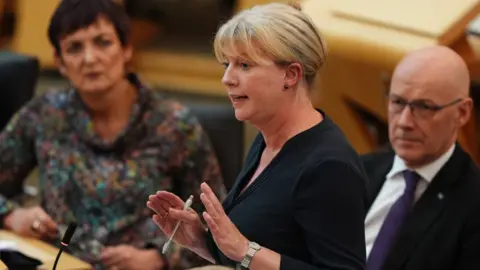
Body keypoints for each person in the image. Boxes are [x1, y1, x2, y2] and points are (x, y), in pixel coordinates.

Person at [0, 0, 226, 269]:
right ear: (60, 62)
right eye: (74, 47)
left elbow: (217, 222)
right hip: (61, 262)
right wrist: (11, 215)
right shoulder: (45, 114)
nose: (90, 58)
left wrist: (161, 258)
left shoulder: (174, 124)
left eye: (103, 43)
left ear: (126, 48)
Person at [148, 3, 367, 270]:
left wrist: (244, 249)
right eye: (226, 64)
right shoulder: (267, 139)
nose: (227, 78)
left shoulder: (329, 166)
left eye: (244, 65)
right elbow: (255, 252)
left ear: (291, 74)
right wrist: (201, 241)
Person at [362, 45, 480, 270]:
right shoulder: (357, 170)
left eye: (424, 107)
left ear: (462, 113)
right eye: (397, 103)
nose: (405, 122)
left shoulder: (473, 207)